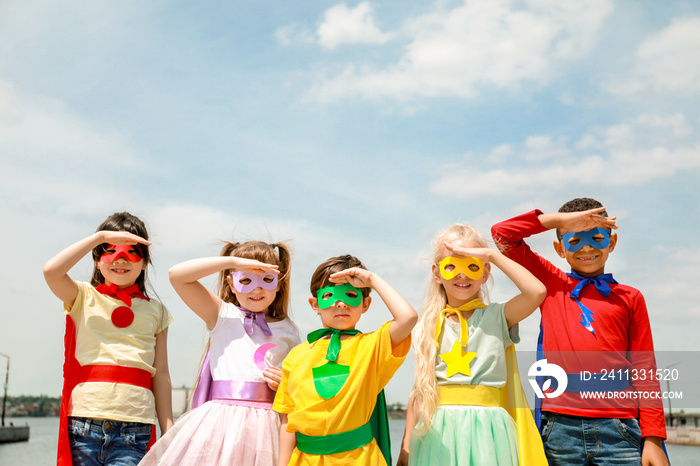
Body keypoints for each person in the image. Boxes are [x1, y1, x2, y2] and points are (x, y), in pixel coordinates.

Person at [491, 198, 669, 466]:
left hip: (620, 429)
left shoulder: (632, 298)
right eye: (574, 240)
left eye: (596, 238)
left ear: (611, 242)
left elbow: (645, 367)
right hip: (560, 430)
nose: (586, 248)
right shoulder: (550, 282)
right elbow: (503, 235)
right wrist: (559, 221)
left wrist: (654, 438)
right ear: (559, 248)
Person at [397, 224, 547, 466]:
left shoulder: (499, 316)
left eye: (473, 266)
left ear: (485, 273)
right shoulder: (428, 324)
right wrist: (405, 446)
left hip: (489, 432)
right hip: (437, 433)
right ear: (437, 273)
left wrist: (492, 255)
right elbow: (420, 389)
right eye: (452, 266)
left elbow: (536, 291)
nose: (462, 274)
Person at [140, 240, 300, 466]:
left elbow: (298, 383)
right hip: (222, 424)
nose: (256, 289)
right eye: (245, 280)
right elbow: (177, 275)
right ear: (231, 283)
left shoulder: (289, 330)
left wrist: (288, 382)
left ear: (279, 283)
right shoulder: (222, 315)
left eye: (266, 279)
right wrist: (232, 261)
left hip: (268, 428)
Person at [43, 212, 173, 466]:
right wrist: (100, 237)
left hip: (135, 431)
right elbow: (51, 271)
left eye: (131, 252)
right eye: (109, 251)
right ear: (97, 260)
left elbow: (162, 374)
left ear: (145, 262)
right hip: (83, 426)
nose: (120, 259)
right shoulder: (82, 296)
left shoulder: (157, 312)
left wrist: (169, 429)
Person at [273, 254, 417, 466]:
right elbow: (288, 421)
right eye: (330, 295)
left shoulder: (373, 346)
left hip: (360, 459)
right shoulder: (296, 356)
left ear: (365, 304)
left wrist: (372, 280)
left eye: (350, 294)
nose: (340, 303)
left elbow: (408, 317)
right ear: (315, 304)